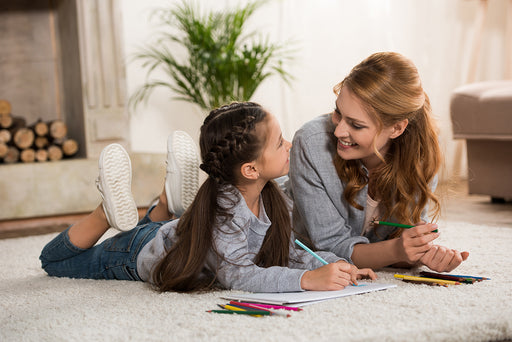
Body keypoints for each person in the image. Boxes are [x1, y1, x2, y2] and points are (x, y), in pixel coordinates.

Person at [40, 102, 376, 293]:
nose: (290, 146)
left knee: (166, 227)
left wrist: (333, 265)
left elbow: (290, 250)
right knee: (55, 263)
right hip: (135, 254)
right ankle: (105, 213)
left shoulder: (272, 195)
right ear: (249, 170)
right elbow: (240, 276)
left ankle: (165, 206)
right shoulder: (226, 214)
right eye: (279, 143)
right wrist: (306, 280)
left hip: (172, 234)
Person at [287, 52, 469, 273]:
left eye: (356, 125)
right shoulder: (310, 143)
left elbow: (395, 246)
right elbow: (329, 248)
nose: (338, 131)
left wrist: (418, 251)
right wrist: (397, 250)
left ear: (397, 128)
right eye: (338, 112)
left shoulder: (421, 152)